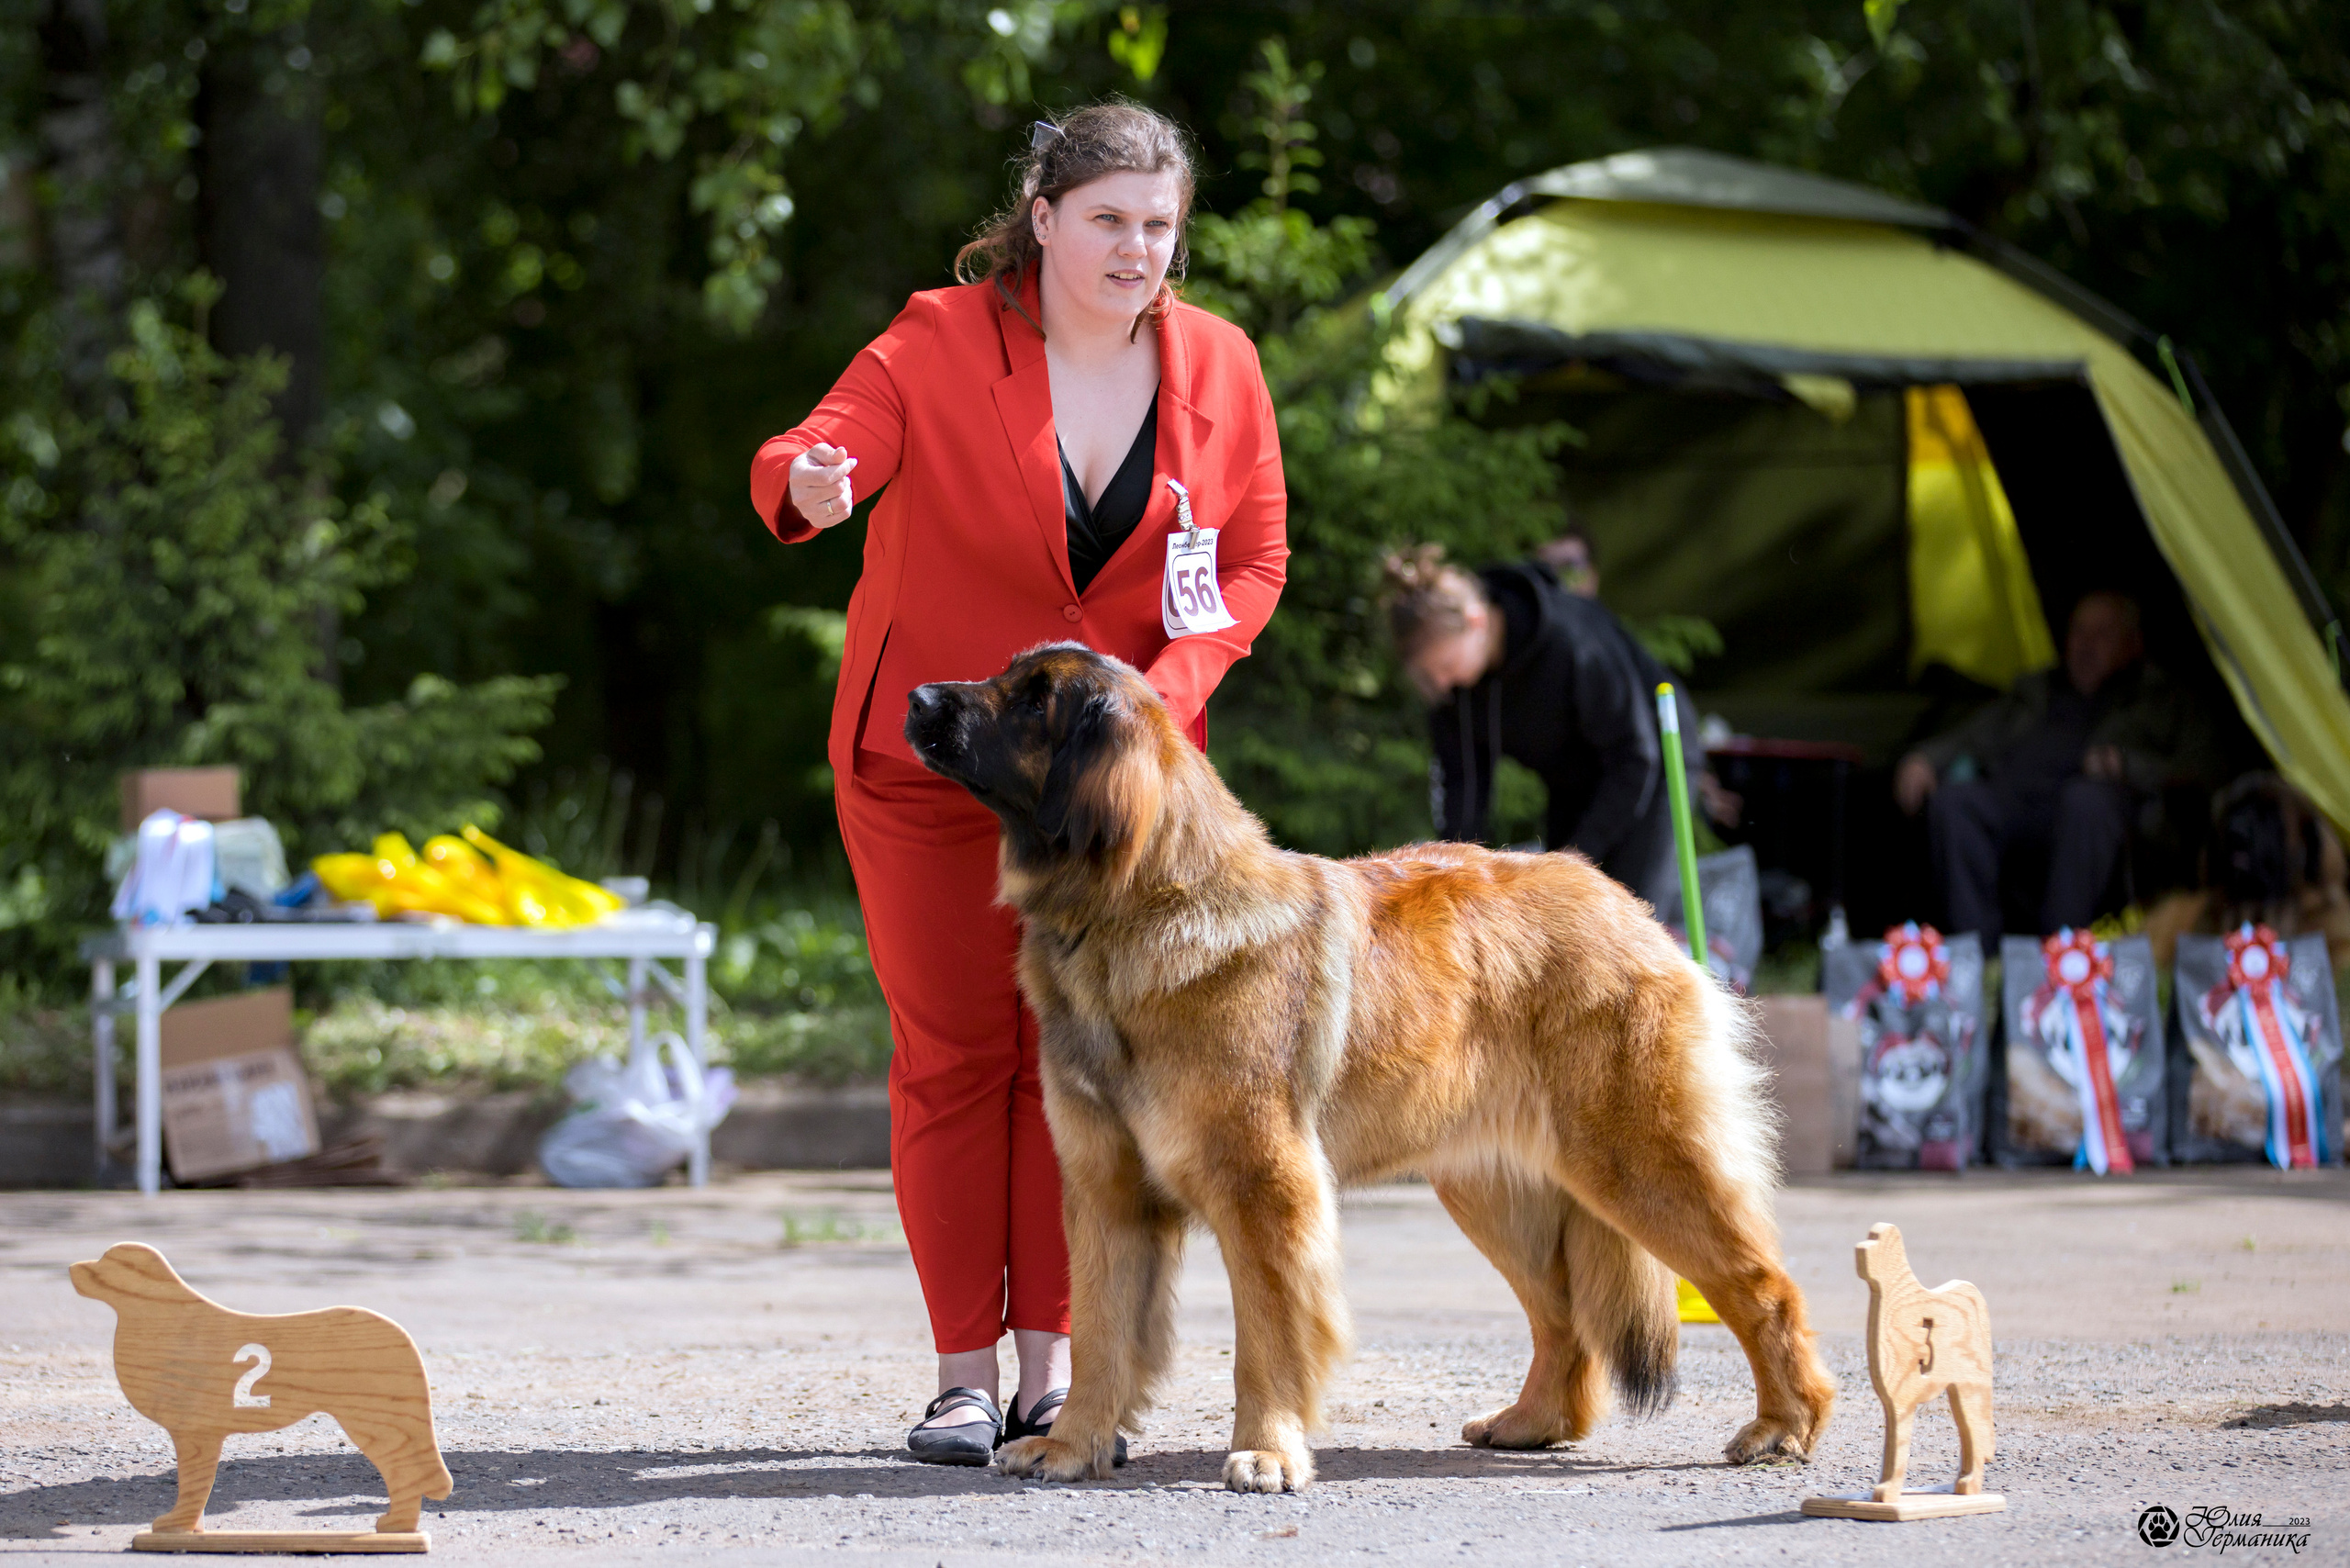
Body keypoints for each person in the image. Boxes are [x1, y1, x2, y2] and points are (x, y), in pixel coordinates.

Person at [748, 106, 1287, 1464]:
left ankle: (1058, 1366)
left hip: (1111, 796)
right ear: (1041, 219)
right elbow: (823, 451)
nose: (1136, 248)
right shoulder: (938, 337)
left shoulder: (1221, 364)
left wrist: (1176, 684)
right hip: (934, 762)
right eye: (1108, 218)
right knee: (954, 1058)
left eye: (1158, 225)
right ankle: (960, 1377)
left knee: (1084, 1062)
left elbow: (1254, 565)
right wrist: (813, 484)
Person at [1896, 590, 2212, 942]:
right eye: (2079, 633)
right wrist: (1923, 759)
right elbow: (1971, 736)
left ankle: (2061, 955)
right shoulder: (2037, 689)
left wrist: (2126, 765)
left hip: (2098, 816)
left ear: (2133, 644)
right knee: (1955, 803)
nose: (2087, 645)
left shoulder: (2162, 699)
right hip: (2014, 805)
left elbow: (2202, 769)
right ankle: (1975, 955)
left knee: (2084, 801)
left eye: (2102, 635)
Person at [1383, 544, 1689, 905]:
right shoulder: (1454, 688)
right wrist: (1458, 876)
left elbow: (1636, 756)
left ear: (1476, 620)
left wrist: (1579, 856)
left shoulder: (1570, 641)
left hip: (1651, 757)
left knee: (1630, 907)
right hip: (1570, 776)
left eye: (1446, 666)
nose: (1443, 683)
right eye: (1430, 676)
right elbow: (1461, 782)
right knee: (1562, 909)